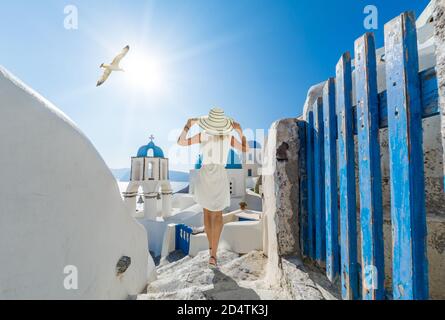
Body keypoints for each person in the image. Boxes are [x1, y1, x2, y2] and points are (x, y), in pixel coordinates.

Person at [177, 107, 249, 267]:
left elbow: (181, 141)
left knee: (212, 215)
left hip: (211, 173)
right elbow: (246, 148)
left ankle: (212, 253)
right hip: (212, 174)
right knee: (213, 215)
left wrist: (188, 125)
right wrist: (239, 130)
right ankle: (213, 254)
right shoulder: (223, 136)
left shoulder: (210, 135)